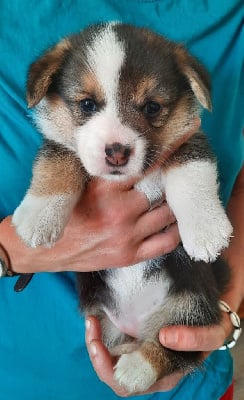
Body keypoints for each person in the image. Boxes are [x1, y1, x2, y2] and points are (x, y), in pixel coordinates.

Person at [0, 1, 243, 399]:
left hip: (195, 380)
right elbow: (58, 155)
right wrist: (12, 250)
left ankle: (157, 357)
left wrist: (227, 311)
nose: (117, 140)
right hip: (22, 375)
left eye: (149, 109)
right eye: (88, 106)